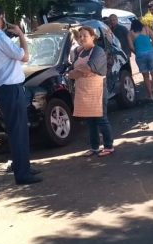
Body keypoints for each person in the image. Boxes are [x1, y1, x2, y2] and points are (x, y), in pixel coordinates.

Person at [0, 3, 42, 185]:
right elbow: (25, 57)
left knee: (16, 130)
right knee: (19, 130)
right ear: (2, 17)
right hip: (10, 87)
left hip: (1, 88)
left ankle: (22, 166)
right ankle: (22, 173)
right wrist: (21, 34)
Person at [68, 26, 115, 158]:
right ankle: (94, 147)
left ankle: (108, 146)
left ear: (93, 37)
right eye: (80, 36)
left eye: (85, 36)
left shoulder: (98, 51)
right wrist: (77, 72)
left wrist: (78, 71)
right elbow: (71, 72)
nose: (82, 38)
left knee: (101, 118)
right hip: (84, 91)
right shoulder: (80, 52)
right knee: (90, 121)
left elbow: (89, 68)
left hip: (98, 89)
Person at [128, 19, 153, 101]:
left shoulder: (130, 33)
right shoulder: (147, 29)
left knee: (146, 76)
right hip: (151, 52)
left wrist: (136, 52)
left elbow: (130, 47)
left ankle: (150, 95)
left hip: (140, 54)